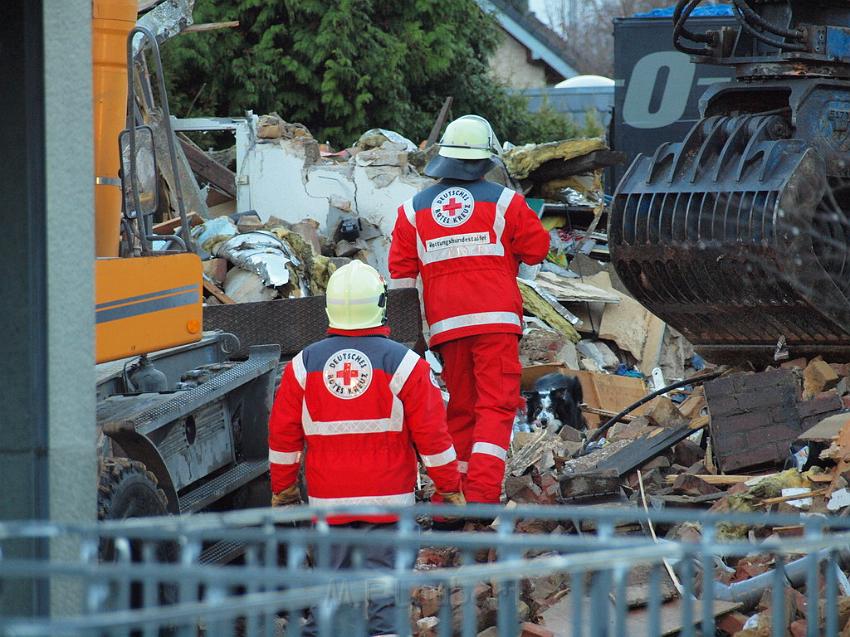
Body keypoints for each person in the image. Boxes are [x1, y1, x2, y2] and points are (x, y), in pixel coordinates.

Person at [268, 260, 464, 636]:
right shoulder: (405, 363)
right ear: (380, 304)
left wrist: (284, 488)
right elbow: (433, 436)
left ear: (330, 307)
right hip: (389, 502)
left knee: (332, 592)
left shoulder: (301, 366)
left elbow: (283, 437)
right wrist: (448, 486)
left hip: (329, 503)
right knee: (385, 592)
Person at [388, 115, 550, 510]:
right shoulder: (505, 201)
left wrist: (414, 337)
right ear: (484, 158)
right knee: (495, 407)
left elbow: (401, 278)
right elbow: (538, 250)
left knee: (460, 410)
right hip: (496, 322)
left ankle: (451, 499)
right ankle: (479, 498)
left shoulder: (412, 210)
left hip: (446, 327)